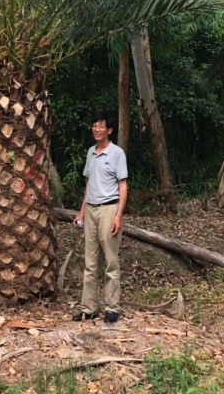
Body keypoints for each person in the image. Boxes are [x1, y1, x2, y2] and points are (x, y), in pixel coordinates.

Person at [72, 112, 128, 324]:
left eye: (101, 126)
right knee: (90, 261)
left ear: (109, 130)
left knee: (110, 261)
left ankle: (112, 308)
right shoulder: (90, 153)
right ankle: (89, 308)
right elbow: (90, 184)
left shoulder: (117, 154)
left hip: (109, 209)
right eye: (94, 125)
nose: (97, 129)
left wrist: (118, 215)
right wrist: (81, 211)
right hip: (91, 210)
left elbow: (123, 185)